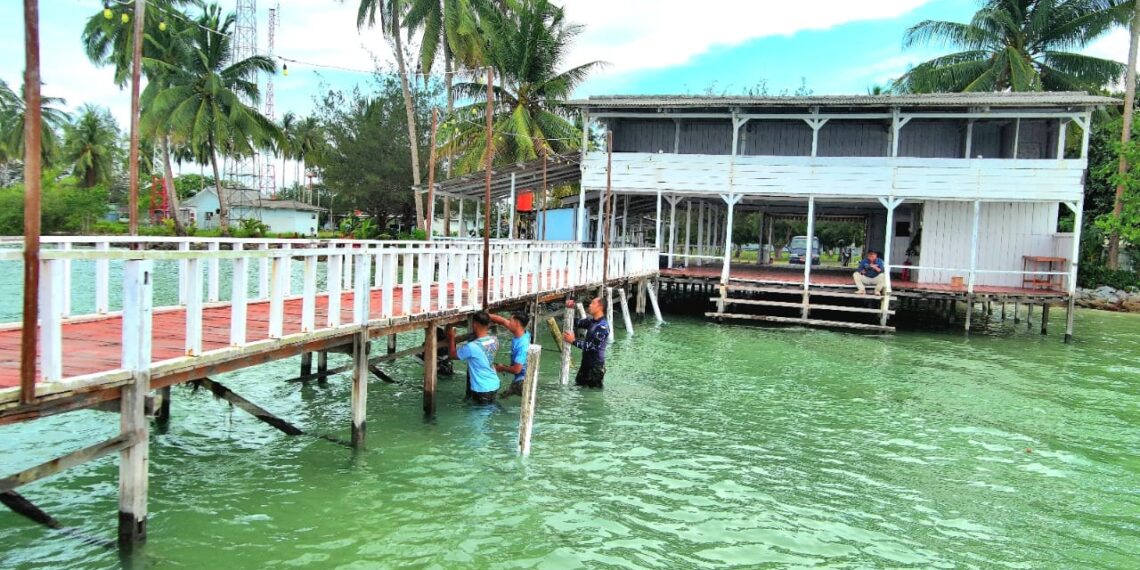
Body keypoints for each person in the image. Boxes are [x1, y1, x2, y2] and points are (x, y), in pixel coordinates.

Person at [447, 312, 500, 404]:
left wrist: (451, 337)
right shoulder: (495, 340)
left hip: (481, 388)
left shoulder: (471, 347)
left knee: (478, 416)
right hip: (494, 384)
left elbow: (452, 355)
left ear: (475, 324)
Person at [563, 297, 609, 389]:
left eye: (592, 303)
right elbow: (577, 322)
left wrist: (573, 340)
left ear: (600, 307)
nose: (589, 305)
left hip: (595, 368)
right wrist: (569, 308)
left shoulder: (602, 326)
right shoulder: (592, 322)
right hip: (585, 365)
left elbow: (592, 347)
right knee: (579, 389)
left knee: (593, 394)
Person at [491, 311, 531, 397]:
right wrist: (486, 316)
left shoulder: (522, 345)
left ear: (516, 323)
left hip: (522, 381)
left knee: (499, 397)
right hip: (523, 376)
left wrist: (502, 368)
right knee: (504, 396)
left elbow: (517, 369)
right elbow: (502, 321)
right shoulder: (524, 333)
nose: (508, 322)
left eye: (510, 320)